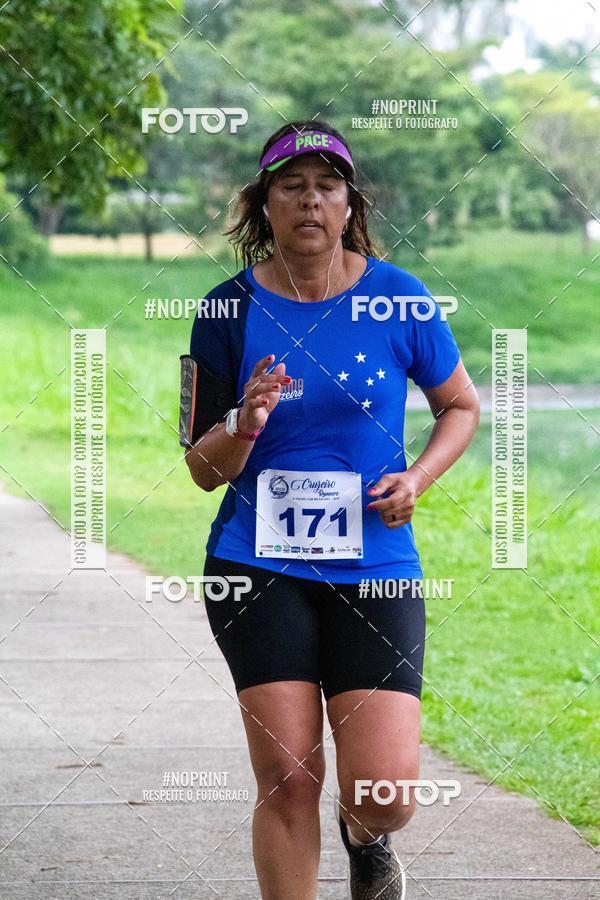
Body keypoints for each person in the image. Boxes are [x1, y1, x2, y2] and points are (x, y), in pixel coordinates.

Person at [181, 120, 480, 900]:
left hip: (374, 564)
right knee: (287, 777)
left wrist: (417, 478)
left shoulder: (398, 298)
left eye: (327, 186)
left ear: (349, 204)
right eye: (292, 187)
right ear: (265, 205)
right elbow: (200, 471)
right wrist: (242, 425)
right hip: (255, 564)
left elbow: (460, 407)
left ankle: (365, 838)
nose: (310, 200)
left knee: (386, 796)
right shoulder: (226, 313)